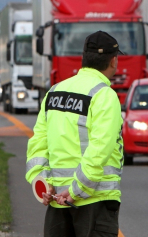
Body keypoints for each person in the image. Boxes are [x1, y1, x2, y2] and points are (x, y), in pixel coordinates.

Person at [25, 31, 124, 237]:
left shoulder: (54, 91)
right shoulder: (104, 95)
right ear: (113, 61)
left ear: (84, 58)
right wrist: (75, 192)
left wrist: (41, 182)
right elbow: (99, 150)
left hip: (56, 204)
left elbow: (38, 143)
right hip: (93, 202)